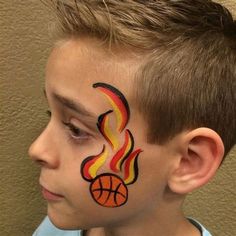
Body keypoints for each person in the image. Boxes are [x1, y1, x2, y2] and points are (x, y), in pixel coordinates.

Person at [29, 0, 236, 235]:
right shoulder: (53, 230)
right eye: (50, 113)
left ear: (189, 162)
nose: (37, 149)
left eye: (76, 130)